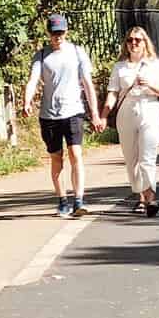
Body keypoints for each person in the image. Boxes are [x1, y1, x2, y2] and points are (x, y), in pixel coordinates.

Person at [23, 13, 101, 218]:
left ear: (66, 31)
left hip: (73, 111)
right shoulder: (41, 55)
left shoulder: (77, 52)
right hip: (49, 115)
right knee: (56, 158)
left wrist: (94, 113)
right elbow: (33, 80)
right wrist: (27, 101)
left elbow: (87, 83)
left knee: (76, 154)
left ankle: (79, 201)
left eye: (61, 32)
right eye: (54, 33)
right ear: (48, 33)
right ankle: (62, 200)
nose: (57, 36)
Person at [104, 27, 159, 216]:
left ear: (145, 43)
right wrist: (103, 114)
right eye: (130, 40)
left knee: (147, 158)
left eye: (138, 40)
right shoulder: (120, 67)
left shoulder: (154, 64)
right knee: (131, 160)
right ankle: (141, 195)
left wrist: (148, 84)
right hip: (127, 111)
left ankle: (150, 199)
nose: (134, 43)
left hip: (150, 109)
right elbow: (113, 93)